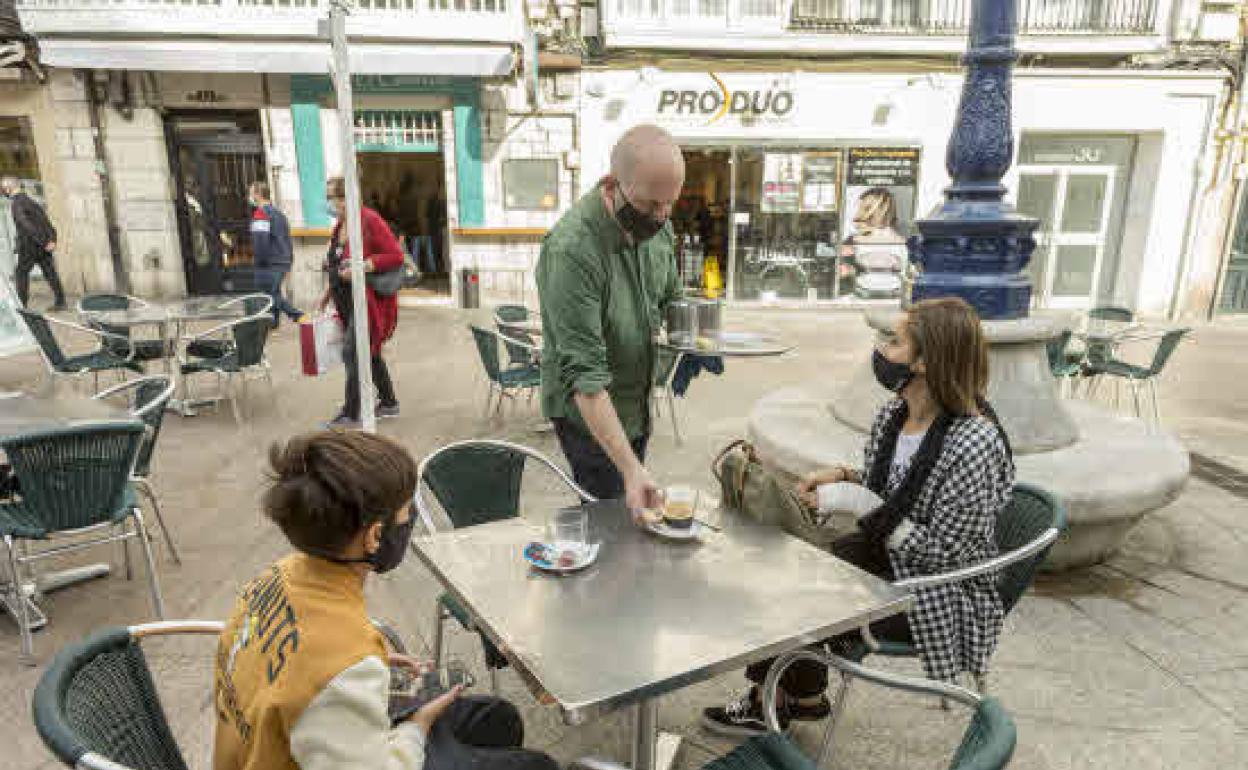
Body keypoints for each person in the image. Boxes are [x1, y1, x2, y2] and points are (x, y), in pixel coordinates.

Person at [702, 297, 1015, 737]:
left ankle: (769, 700)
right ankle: (805, 695)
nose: (882, 350)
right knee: (788, 561)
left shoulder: (974, 441)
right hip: (886, 557)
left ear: (926, 361)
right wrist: (843, 476)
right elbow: (896, 485)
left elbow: (947, 557)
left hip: (937, 590)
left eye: (895, 341)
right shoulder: (895, 413)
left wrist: (856, 499)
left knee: (796, 591)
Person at [213, 430, 559, 770]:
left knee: (496, 717)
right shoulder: (344, 668)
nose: (411, 521)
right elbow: (329, 675)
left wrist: (375, 661)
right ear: (375, 535)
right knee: (538, 765)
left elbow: (287, 664)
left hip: (280, 743)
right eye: (408, 511)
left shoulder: (275, 577)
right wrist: (417, 727)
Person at [536, 124, 684, 511]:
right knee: (612, 515)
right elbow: (585, 379)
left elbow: (671, 296)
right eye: (652, 205)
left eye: (671, 203)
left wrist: (692, 338)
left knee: (631, 501)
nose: (663, 215)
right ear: (612, 185)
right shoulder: (573, 251)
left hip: (635, 403)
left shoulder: (660, 228)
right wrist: (631, 470)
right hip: (588, 414)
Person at [317, 176, 403, 429]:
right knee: (370, 352)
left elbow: (394, 255)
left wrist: (362, 267)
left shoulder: (369, 220)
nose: (329, 203)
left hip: (366, 303)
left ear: (346, 198)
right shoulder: (340, 225)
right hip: (345, 300)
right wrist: (328, 292)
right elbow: (335, 262)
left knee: (351, 352)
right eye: (329, 198)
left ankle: (351, 412)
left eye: (332, 197)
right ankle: (389, 402)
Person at [3, 176, 66, 310]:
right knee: (50, 272)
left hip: (30, 246)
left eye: (4, 189)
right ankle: (61, 302)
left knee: (21, 274)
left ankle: (22, 306)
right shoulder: (31, 201)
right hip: (42, 245)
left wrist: (44, 242)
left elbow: (27, 226)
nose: (4, 191)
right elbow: (47, 222)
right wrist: (51, 240)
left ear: (8, 189)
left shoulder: (17, 204)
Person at [248, 181, 305, 327]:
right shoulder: (280, 214)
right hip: (283, 260)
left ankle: (296, 314)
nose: (250, 196)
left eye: (251, 193)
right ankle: (273, 323)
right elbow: (288, 239)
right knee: (274, 292)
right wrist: (289, 260)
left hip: (269, 263)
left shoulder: (260, 214)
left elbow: (260, 242)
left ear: (258, 195)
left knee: (268, 295)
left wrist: (259, 261)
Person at [840, 187, 907, 299]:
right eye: (860, 209)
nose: (858, 215)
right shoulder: (853, 239)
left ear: (883, 210)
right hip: (862, 293)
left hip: (892, 294)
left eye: (867, 209)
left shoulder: (900, 242)